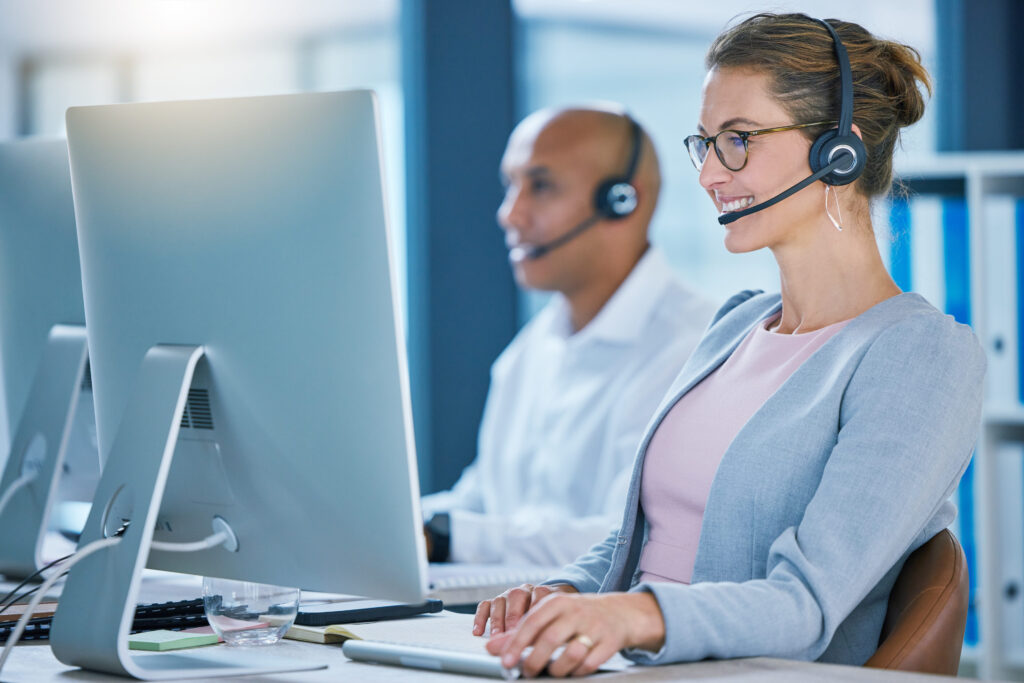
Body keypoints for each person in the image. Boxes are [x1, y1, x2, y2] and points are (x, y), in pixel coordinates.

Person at [473, 13, 986, 678]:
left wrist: (631, 616)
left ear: (839, 150)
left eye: (738, 140)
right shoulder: (735, 326)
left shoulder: (919, 355)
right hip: (629, 663)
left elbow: (806, 604)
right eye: (706, 143)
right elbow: (646, 535)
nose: (710, 173)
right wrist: (565, 592)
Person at [421, 106, 716, 567]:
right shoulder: (528, 351)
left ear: (623, 200)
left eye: (540, 186)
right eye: (510, 185)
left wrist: (444, 538)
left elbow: (630, 540)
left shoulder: (694, 350)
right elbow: (481, 502)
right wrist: (405, 525)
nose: (509, 215)